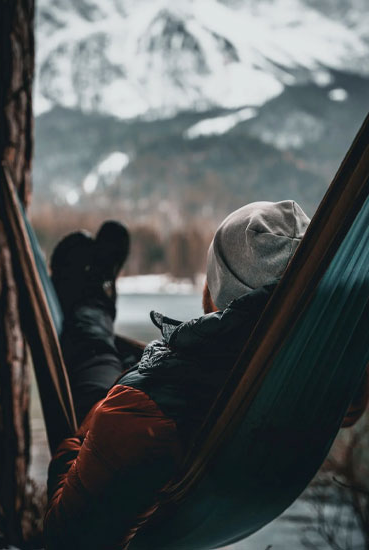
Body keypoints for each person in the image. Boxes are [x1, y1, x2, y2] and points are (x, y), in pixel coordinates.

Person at [44, 201, 369, 549]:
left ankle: (92, 304)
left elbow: (67, 534)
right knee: (123, 355)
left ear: (214, 293)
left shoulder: (138, 416)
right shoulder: (332, 372)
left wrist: (99, 416)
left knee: (92, 350)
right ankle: (99, 298)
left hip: (137, 451)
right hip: (202, 447)